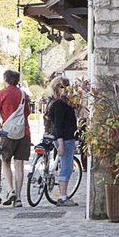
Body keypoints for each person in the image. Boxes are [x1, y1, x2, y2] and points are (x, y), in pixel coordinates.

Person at [0, 69, 30, 207]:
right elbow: (27, 113)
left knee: (5, 161)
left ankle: (10, 191)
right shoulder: (23, 94)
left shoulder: (2, 94)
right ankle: (18, 198)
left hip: (8, 133)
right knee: (19, 165)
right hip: (23, 132)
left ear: (5, 79)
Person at [43, 77, 80, 205]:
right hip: (65, 138)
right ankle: (63, 197)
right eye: (63, 87)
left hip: (66, 137)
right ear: (57, 88)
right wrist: (60, 143)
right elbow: (58, 124)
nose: (66, 90)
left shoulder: (60, 102)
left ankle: (63, 196)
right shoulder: (59, 104)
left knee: (66, 166)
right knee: (66, 167)